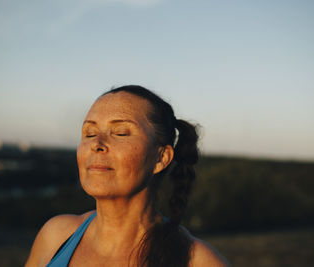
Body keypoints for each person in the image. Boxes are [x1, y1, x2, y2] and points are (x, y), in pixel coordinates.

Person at [25, 85, 230, 267]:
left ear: (161, 157)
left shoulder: (196, 261)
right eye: (89, 133)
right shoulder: (56, 235)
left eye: (121, 132)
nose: (96, 144)